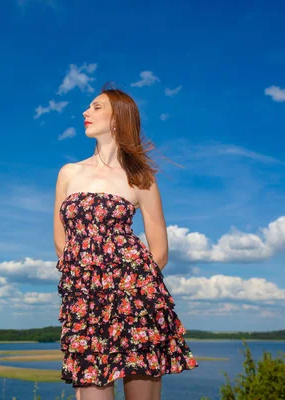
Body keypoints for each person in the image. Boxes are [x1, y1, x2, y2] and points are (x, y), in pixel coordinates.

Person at [53, 84, 198, 400]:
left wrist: (128, 290)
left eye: (96, 107)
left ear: (118, 119)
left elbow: (159, 250)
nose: (85, 112)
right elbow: (61, 241)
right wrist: (86, 286)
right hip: (85, 303)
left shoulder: (141, 177)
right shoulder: (68, 173)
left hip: (135, 303)